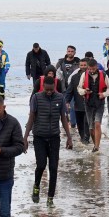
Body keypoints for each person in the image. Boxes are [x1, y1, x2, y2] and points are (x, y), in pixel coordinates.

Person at [23, 76, 73, 206]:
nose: (49, 92)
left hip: (54, 138)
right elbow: (31, 119)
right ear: (43, 86)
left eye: (51, 89)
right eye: (47, 89)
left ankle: (50, 198)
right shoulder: (36, 98)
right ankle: (36, 186)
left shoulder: (60, 98)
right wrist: (25, 137)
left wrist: (69, 137)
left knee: (53, 168)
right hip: (39, 137)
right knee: (41, 165)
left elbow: (63, 118)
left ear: (55, 87)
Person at [78, 57, 109, 152]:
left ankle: (97, 147)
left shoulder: (104, 75)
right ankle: (95, 144)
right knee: (91, 128)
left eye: (93, 69)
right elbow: (79, 88)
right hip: (88, 104)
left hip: (99, 103)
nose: (91, 71)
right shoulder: (84, 75)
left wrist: (103, 94)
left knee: (97, 124)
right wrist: (84, 91)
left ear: (96, 67)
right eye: (89, 69)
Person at [64, 56, 90, 143]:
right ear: (79, 66)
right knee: (80, 125)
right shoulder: (74, 77)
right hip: (78, 105)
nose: (83, 67)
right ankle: (83, 140)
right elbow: (69, 91)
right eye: (81, 65)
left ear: (88, 66)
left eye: (84, 65)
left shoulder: (91, 76)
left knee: (87, 123)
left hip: (90, 105)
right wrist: (67, 101)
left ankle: (86, 139)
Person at [55, 45, 80, 127]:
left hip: (74, 89)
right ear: (66, 52)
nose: (70, 53)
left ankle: (73, 124)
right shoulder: (60, 63)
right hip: (62, 88)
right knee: (63, 107)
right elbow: (56, 76)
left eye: (72, 51)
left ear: (75, 52)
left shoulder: (78, 62)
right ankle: (65, 123)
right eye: (69, 51)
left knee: (72, 106)